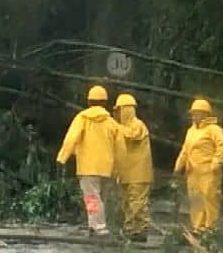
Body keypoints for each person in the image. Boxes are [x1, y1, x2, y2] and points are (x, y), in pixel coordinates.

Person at [56, 85, 126, 236]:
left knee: (91, 198)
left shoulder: (82, 118)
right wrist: (120, 167)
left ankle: (99, 227)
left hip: (87, 166)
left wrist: (62, 157)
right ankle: (96, 225)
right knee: (101, 198)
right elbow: (120, 146)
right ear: (105, 102)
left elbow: (71, 138)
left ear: (88, 101)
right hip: (107, 167)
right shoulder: (111, 122)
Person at [174, 99, 223, 233]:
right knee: (196, 200)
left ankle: (210, 227)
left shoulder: (214, 129)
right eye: (193, 113)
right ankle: (197, 227)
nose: (194, 116)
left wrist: (215, 163)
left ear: (205, 114)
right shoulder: (191, 131)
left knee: (210, 199)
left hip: (209, 172)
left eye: (197, 113)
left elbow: (222, 147)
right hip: (193, 172)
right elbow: (185, 150)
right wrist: (178, 166)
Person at [112, 93, 154, 242]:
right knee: (127, 203)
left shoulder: (138, 125)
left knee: (138, 202)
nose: (116, 113)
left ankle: (141, 230)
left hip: (139, 173)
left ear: (126, 109)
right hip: (127, 173)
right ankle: (130, 229)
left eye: (119, 110)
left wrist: (115, 126)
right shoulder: (121, 128)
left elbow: (131, 135)